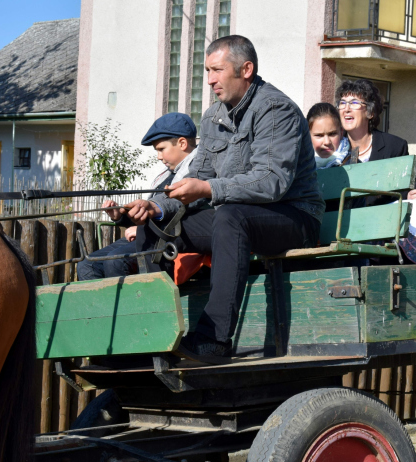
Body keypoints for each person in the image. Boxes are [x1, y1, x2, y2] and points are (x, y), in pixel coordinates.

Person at [124, 35, 324, 363]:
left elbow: (271, 181)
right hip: (239, 218)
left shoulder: (276, 109)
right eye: (207, 71)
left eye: (217, 70)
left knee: (232, 216)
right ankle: (149, 333)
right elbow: (195, 176)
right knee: (155, 226)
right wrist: (156, 205)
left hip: (293, 217)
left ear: (246, 69)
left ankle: (214, 339)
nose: (211, 80)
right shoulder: (214, 116)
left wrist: (208, 190)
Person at [76, 113, 198, 281]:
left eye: (161, 149)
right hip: (145, 234)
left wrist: (141, 228)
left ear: (182, 143)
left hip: (169, 238)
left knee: (115, 261)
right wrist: (122, 216)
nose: (159, 157)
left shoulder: (196, 171)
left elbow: (180, 210)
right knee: (86, 264)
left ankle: (129, 308)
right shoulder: (165, 175)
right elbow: (149, 210)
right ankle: (100, 307)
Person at [336, 78, 408, 164]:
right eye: (342, 103)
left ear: (370, 112)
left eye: (354, 103)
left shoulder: (395, 146)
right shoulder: (333, 146)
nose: (346, 109)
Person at [307, 102, 350, 169]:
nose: (327, 142)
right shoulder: (300, 167)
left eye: (332, 134)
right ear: (308, 135)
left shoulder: (353, 163)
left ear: (341, 133)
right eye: (319, 135)